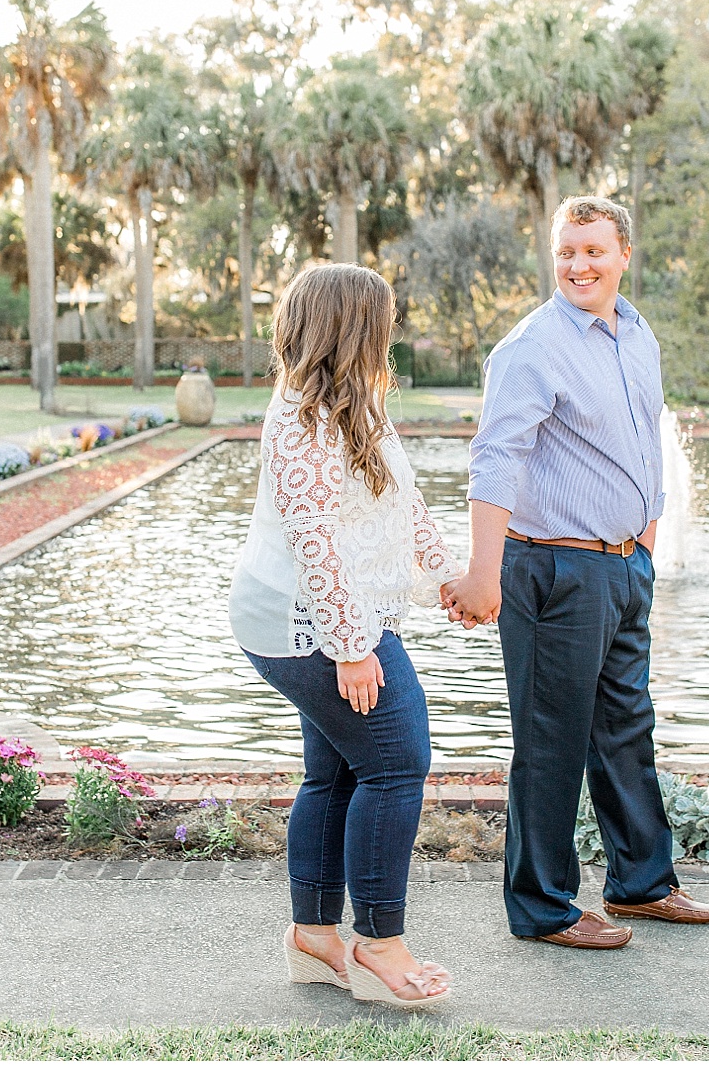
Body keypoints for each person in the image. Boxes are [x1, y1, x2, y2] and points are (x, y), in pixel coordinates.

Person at [445, 196, 709, 949]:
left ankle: (641, 883)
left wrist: (646, 543)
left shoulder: (638, 334)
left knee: (627, 729)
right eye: (567, 251)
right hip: (553, 570)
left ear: (624, 252)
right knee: (551, 740)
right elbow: (495, 457)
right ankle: (542, 907)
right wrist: (482, 571)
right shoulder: (530, 347)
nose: (579, 264)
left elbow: (648, 444)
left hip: (623, 567)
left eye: (594, 250)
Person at [229, 263, 459, 1009]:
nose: (390, 331)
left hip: (331, 613)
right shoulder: (300, 417)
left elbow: (403, 500)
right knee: (397, 759)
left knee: (336, 772)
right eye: (383, 318)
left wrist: (447, 572)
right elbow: (314, 540)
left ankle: (315, 935)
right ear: (355, 324)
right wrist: (353, 647)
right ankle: (378, 946)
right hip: (306, 622)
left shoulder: (355, 401)